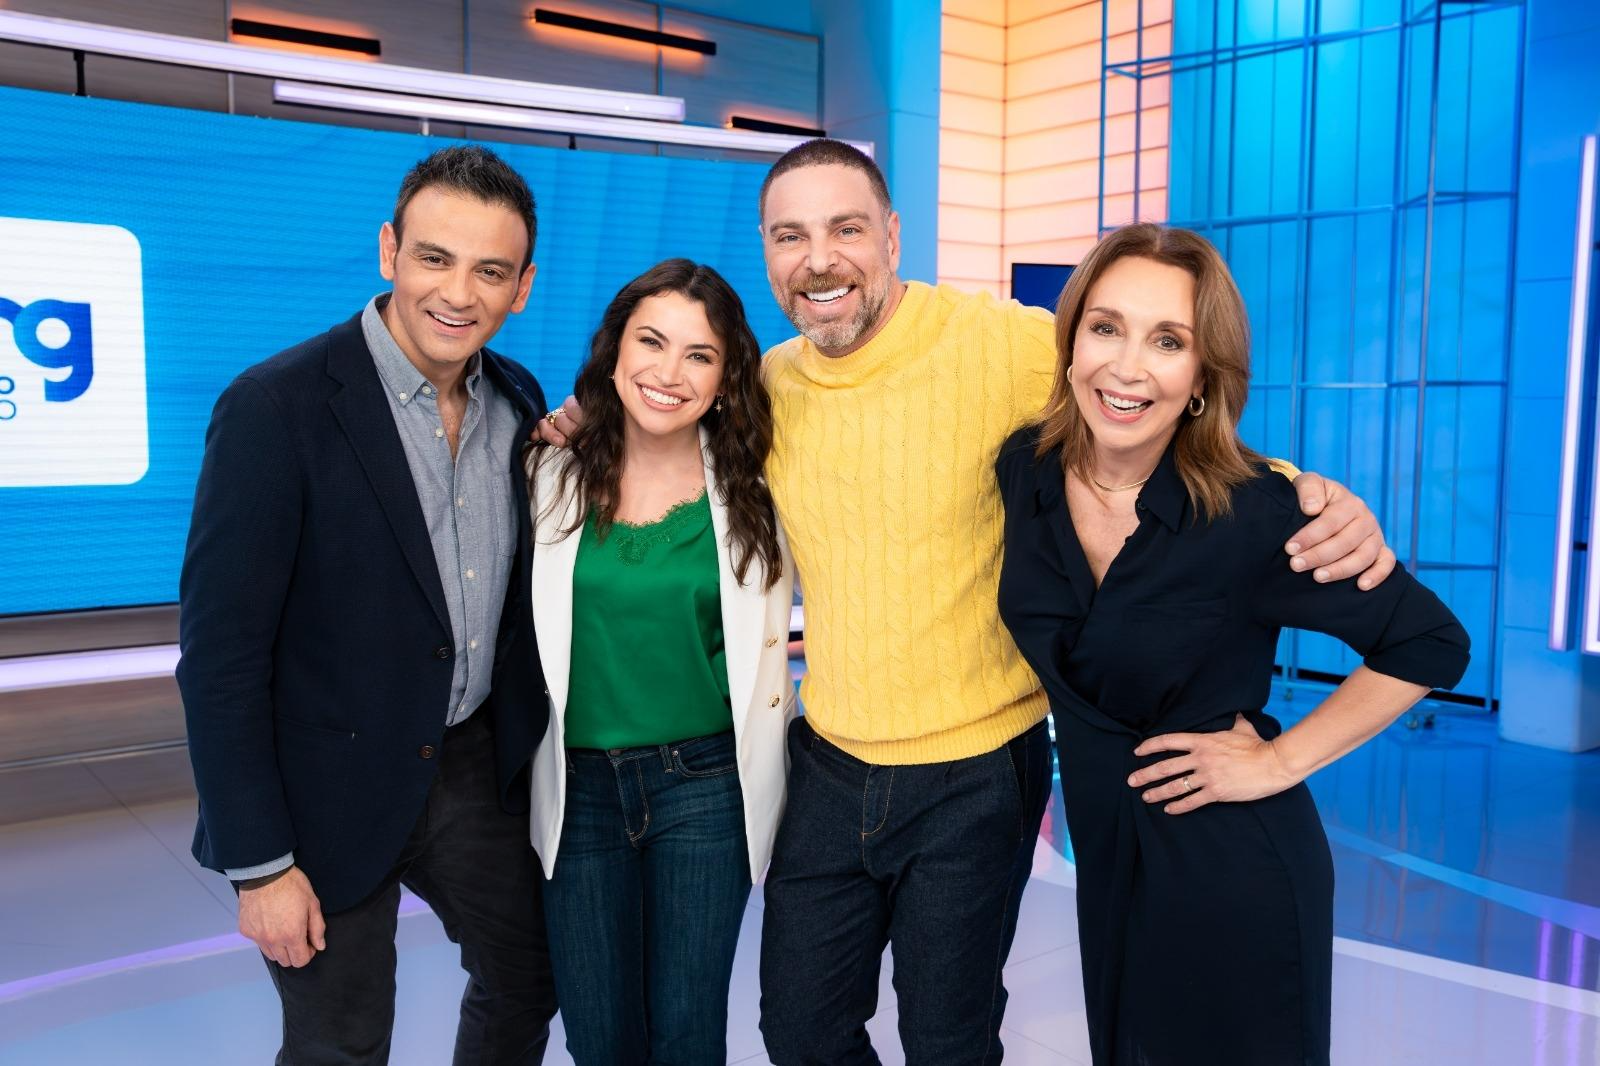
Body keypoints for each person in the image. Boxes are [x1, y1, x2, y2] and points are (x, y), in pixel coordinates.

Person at [538, 139, 1398, 1065]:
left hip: (977, 770)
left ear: (893, 236)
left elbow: (1142, 403)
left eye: (846, 229)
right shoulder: (769, 386)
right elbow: (667, 413)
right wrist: (588, 416)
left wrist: (1300, 486)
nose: (819, 259)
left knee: (948, 1043)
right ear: (767, 249)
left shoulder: (1005, 345)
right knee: (799, 1031)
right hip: (830, 759)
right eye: (791, 236)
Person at [994, 223, 1470, 1066]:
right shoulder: (1026, 470)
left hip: (1233, 870)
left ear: (1202, 379)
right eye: (1106, 327)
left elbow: (1429, 641)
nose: (1128, 366)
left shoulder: (1254, 513)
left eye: (1168, 341)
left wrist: (1280, 762)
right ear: (1069, 345)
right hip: (1107, 859)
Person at [177, 145, 557, 1065]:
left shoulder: (518, 400)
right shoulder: (275, 407)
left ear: (522, 288)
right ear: (390, 250)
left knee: (531, 977)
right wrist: (259, 866)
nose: (458, 293)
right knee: (339, 1046)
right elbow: (221, 659)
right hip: (325, 790)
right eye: (434, 258)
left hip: (469, 768)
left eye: (490, 271)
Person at [524, 259, 796, 1064]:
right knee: (598, 1036)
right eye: (651, 342)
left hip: (704, 787)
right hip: (577, 790)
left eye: (699, 355)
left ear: (725, 377)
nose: (669, 373)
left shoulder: (760, 486)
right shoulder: (544, 471)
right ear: (614, 350)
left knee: (686, 1032)